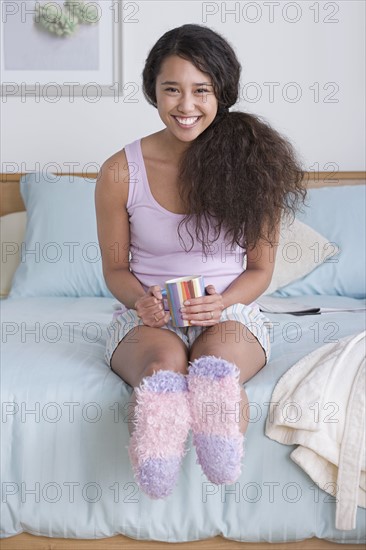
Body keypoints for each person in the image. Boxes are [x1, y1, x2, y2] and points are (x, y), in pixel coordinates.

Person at [95, 23, 306, 500]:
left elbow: (259, 270)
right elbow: (115, 270)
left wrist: (223, 303)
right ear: (153, 91)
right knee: (164, 366)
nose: (185, 106)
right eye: (172, 89)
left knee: (214, 364)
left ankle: (220, 455)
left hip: (229, 309)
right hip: (148, 313)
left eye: (201, 91)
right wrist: (141, 301)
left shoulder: (256, 164)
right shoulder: (119, 171)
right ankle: (156, 466)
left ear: (221, 93)